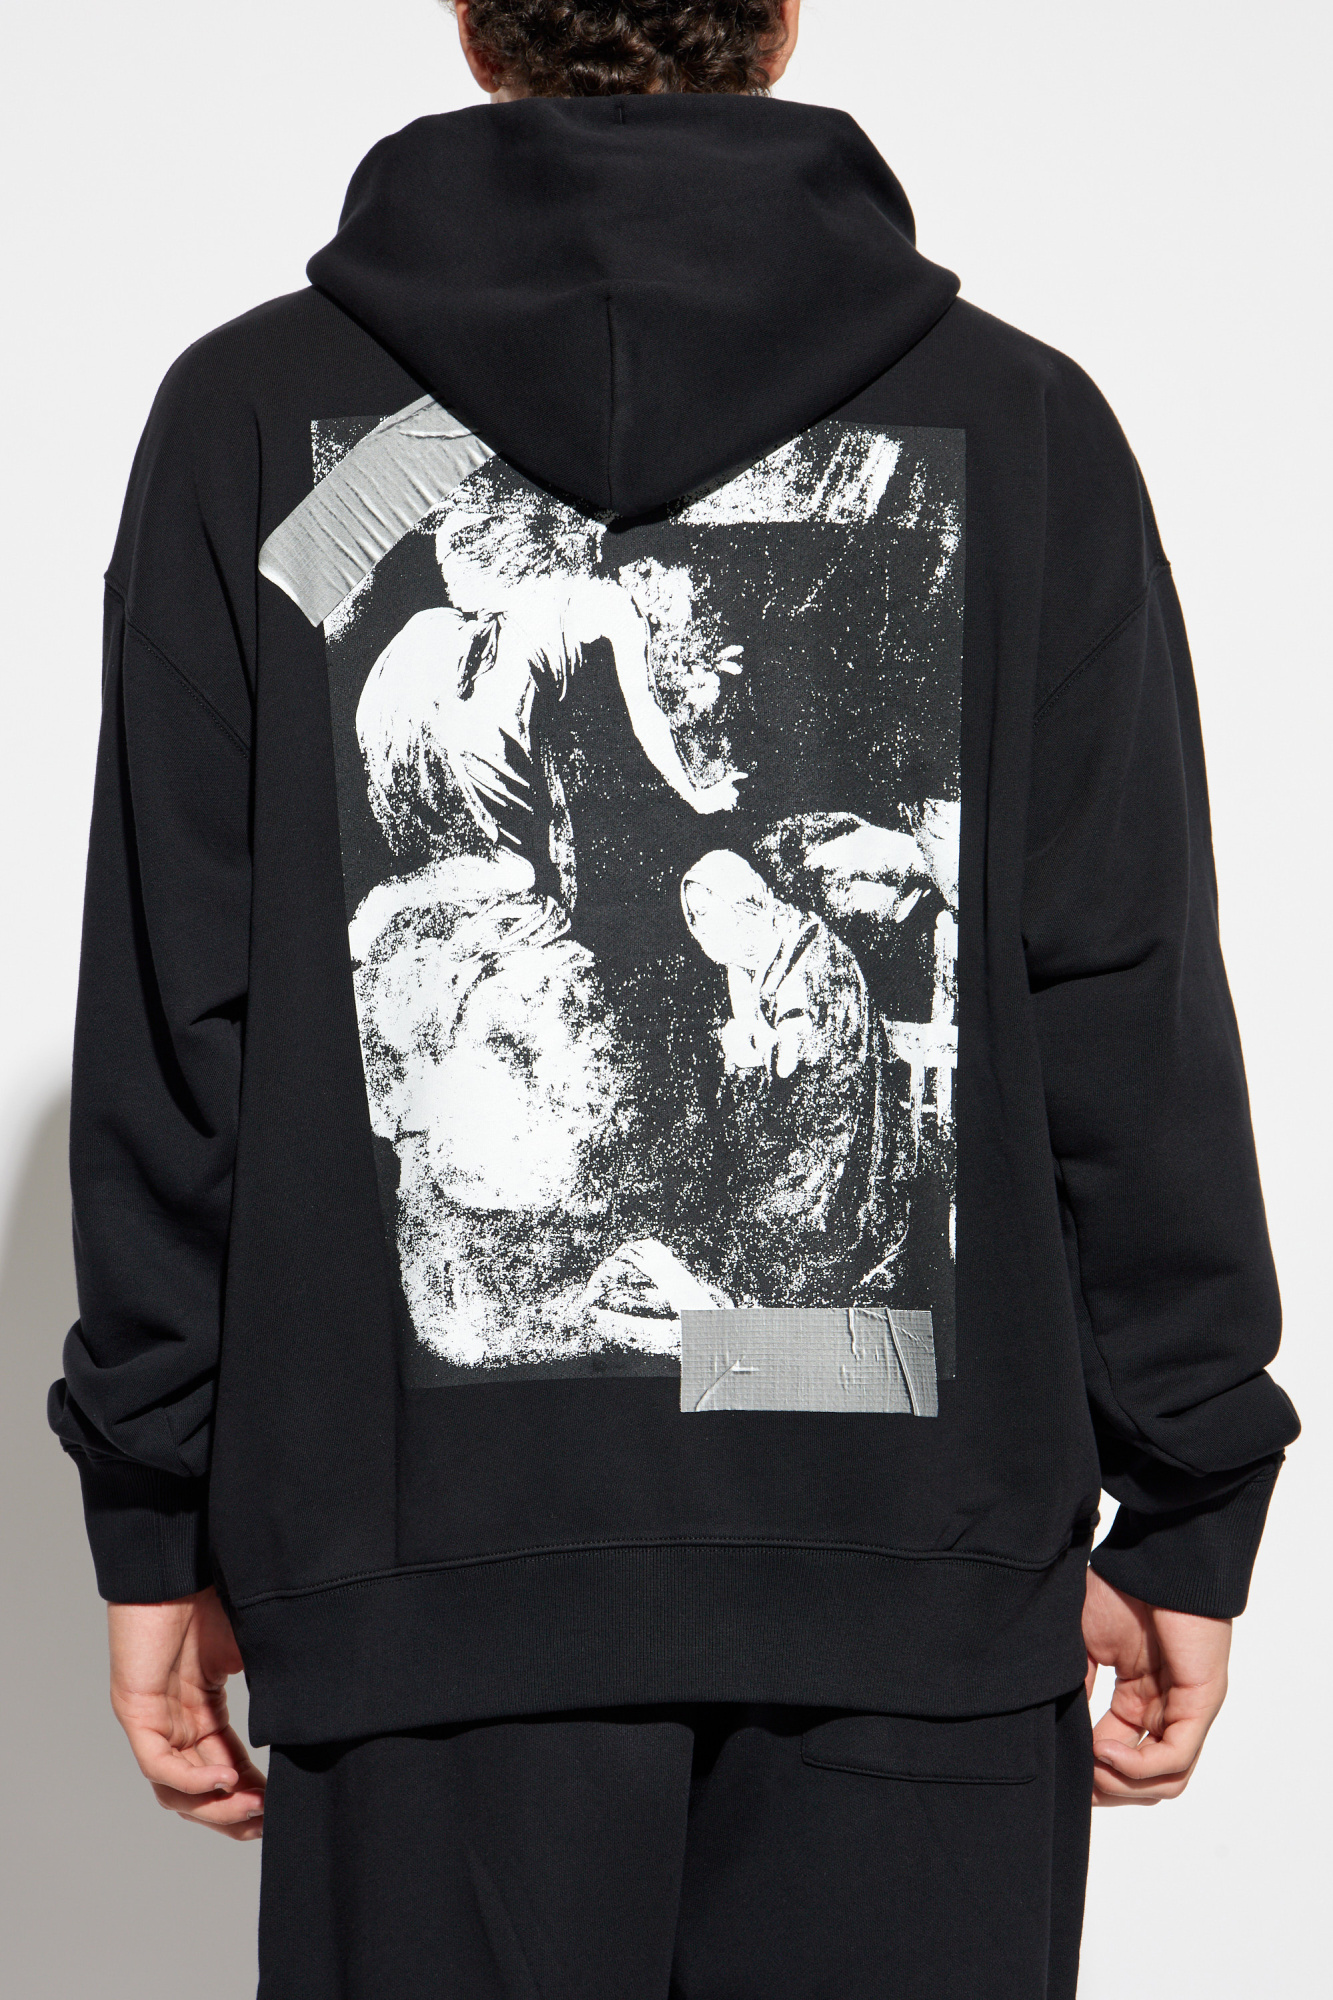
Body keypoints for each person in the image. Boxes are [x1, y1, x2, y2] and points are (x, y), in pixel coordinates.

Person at [49, 3, 1299, 1995]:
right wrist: (1191, 1485)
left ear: (478, 23)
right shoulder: (1011, 426)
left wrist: (152, 1502)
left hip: (432, 1567)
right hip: (899, 1545)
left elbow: (178, 998)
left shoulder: (277, 429)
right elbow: (1122, 990)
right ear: (778, 17)